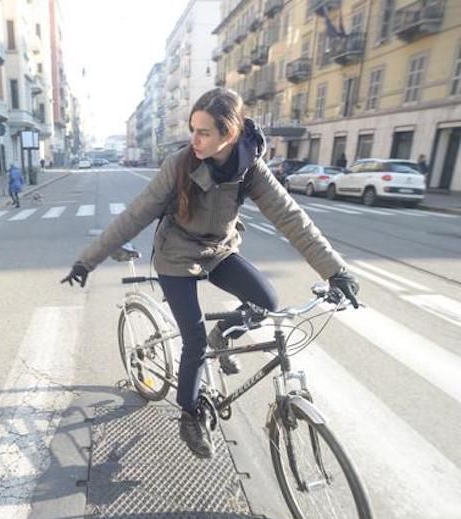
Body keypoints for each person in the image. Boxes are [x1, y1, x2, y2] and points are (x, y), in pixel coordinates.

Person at [61, 88, 360, 459]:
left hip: (219, 250)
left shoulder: (250, 168)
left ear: (229, 134)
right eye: (193, 129)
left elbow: (290, 217)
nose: (194, 139)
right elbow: (135, 214)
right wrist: (87, 260)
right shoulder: (180, 164)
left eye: (203, 132)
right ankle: (190, 414)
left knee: (265, 301)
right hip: (176, 256)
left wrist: (336, 271)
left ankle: (224, 335)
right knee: (194, 341)